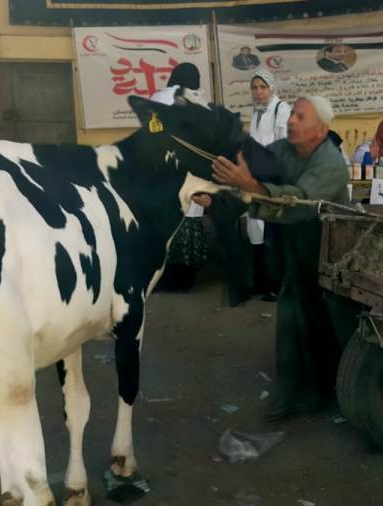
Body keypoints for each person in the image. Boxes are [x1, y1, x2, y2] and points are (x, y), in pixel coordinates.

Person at [194, 96, 359, 422]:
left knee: (331, 319)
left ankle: (344, 390)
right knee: (291, 316)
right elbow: (251, 184)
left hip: (331, 253)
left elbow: (297, 204)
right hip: (294, 249)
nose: (291, 121)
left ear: (321, 130)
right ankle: (295, 394)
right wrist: (217, 200)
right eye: (292, 115)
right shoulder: (283, 150)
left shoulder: (331, 164)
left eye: (300, 117)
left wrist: (249, 184)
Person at [152, 63, 209, 292]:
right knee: (190, 214)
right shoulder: (197, 100)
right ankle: (186, 278)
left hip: (162, 165)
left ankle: (163, 277)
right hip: (189, 165)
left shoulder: (157, 97)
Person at [248, 70, 290, 301]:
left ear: (271, 88)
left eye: (262, 87)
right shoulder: (255, 112)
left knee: (273, 231)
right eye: (254, 88)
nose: (258, 92)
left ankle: (277, 285)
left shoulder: (280, 109)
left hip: (273, 179)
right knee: (255, 228)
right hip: (255, 179)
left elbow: (285, 145)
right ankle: (261, 282)